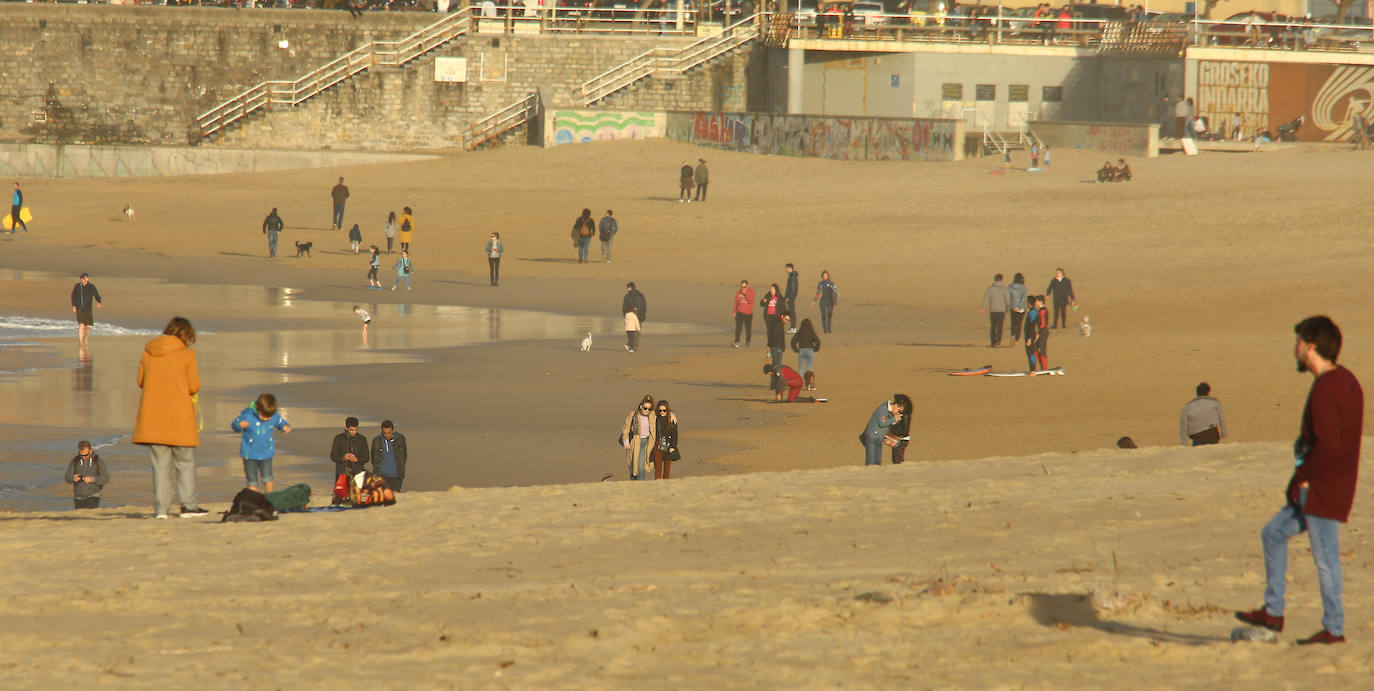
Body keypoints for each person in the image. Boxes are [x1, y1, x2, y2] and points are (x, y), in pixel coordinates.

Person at [1236, 316, 1363, 645]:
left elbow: (1329, 447)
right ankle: (1273, 611)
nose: (1294, 351)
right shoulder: (1346, 380)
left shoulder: (1326, 388)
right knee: (1274, 533)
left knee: (1325, 557)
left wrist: (1300, 479)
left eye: (1298, 344)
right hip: (1329, 485)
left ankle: (1333, 629)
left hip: (1321, 489)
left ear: (1310, 346)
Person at [134, 316, 207, 519]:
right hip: (180, 417)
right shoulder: (186, 355)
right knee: (185, 463)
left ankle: (161, 510)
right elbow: (194, 386)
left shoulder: (149, 352)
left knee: (160, 467)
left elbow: (140, 381)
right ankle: (188, 506)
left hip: (153, 418)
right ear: (186, 335)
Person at [231, 393, 292, 494]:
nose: (266, 419)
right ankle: (255, 501)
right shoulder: (247, 415)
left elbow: (280, 421)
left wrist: (285, 426)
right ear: (257, 408)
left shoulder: (273, 416)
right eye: (264, 416)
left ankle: (269, 500)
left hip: (266, 454)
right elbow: (234, 425)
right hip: (249, 455)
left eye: (269, 417)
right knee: (252, 482)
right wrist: (239, 425)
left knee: (267, 478)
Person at [860, 395, 912, 466]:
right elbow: (882, 423)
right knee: (871, 461)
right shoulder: (883, 409)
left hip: (878, 438)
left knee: (877, 460)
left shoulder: (889, 411)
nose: (898, 413)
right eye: (899, 410)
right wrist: (894, 419)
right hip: (872, 437)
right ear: (896, 405)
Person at [619, 395, 658, 480]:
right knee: (633, 464)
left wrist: (672, 415)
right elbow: (626, 428)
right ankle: (634, 483)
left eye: (649, 409)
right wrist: (626, 442)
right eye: (645, 408)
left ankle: (641, 484)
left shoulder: (653, 416)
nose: (647, 410)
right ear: (641, 406)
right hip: (634, 442)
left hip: (646, 442)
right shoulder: (634, 415)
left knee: (641, 465)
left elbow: (665, 413)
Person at [65, 440, 110, 510]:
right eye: (81, 455)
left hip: (93, 495)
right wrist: (73, 478)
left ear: (91, 451)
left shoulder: (97, 461)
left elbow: (106, 478)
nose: (84, 457)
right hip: (78, 497)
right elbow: (67, 477)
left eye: (86, 454)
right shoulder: (75, 461)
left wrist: (92, 479)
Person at [1180, 382, 1228, 446]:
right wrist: (1224, 433)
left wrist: (1184, 443)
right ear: (1208, 392)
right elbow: (1222, 419)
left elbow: (1183, 426)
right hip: (1212, 435)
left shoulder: (1188, 406)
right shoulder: (1214, 403)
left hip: (1197, 437)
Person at [370, 420, 407, 491]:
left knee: (395, 497)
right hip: (381, 475)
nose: (387, 435)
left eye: (389, 433)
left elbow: (404, 456)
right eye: (385, 433)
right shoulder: (377, 440)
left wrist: (400, 467)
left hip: (396, 476)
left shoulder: (400, 439)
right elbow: (373, 458)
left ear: (392, 430)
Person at [70, 272, 102, 345]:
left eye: (85, 278)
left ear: (87, 279)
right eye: (82, 279)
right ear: (81, 279)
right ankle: (81, 340)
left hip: (88, 308)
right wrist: (74, 306)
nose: (84, 280)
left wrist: (98, 302)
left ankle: (86, 338)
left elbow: (96, 294)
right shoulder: (77, 286)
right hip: (79, 308)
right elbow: (73, 296)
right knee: (81, 325)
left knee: (88, 326)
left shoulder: (91, 286)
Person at [979, 273, 1010, 347]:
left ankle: (993, 342)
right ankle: (998, 341)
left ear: (995, 279)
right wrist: (1007, 309)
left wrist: (982, 308)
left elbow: (986, 298)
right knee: (1000, 326)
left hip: (992, 310)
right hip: (1001, 311)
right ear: (1001, 279)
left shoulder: (990, 288)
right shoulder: (1004, 289)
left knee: (993, 326)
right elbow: (1007, 300)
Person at [652, 400, 680, 479]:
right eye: (660, 410)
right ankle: (657, 484)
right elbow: (646, 412)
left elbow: (675, 435)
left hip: (668, 444)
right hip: (657, 444)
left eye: (664, 410)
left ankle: (666, 484)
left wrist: (673, 446)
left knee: (667, 468)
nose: (662, 412)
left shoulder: (672, 419)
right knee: (658, 467)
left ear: (667, 410)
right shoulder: (655, 418)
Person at [791, 317, 820, 390]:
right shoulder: (811, 331)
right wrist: (815, 349)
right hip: (810, 350)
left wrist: (796, 350)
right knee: (809, 369)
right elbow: (818, 341)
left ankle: (799, 385)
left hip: (802, 351)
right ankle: (810, 385)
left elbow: (793, 342)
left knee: (801, 369)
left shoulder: (800, 332)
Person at [767, 312, 789, 393]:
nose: (787, 321)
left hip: (776, 347)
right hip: (777, 348)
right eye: (786, 319)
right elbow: (774, 335)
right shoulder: (779, 324)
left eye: (788, 320)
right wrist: (769, 345)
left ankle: (773, 384)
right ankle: (777, 384)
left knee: (775, 365)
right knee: (777, 367)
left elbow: (772, 334)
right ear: (782, 317)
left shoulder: (778, 323)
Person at [622, 281, 647, 352]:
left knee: (631, 331)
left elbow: (624, 307)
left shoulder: (627, 296)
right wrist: (643, 315)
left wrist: (625, 316)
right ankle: (634, 346)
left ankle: (631, 345)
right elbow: (643, 306)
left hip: (629, 315)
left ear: (629, 288)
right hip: (639, 315)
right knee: (637, 331)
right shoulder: (640, 295)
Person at [760, 283, 785, 348]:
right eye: (771, 289)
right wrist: (763, 301)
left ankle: (775, 343)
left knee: (775, 331)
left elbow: (783, 308)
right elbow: (761, 304)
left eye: (773, 289)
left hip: (776, 316)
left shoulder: (780, 297)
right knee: (769, 330)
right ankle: (769, 344)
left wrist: (783, 316)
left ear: (776, 290)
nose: (771, 290)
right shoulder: (767, 295)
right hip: (768, 316)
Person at [732, 279, 755, 349]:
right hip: (740, 313)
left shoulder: (751, 292)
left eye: (744, 287)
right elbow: (736, 302)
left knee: (748, 328)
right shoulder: (738, 292)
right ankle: (737, 341)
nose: (743, 288)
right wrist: (734, 311)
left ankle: (748, 342)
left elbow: (750, 300)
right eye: (741, 287)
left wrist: (745, 293)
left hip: (748, 313)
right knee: (738, 328)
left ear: (747, 286)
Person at [1008, 273, 1028, 346]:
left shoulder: (1010, 287)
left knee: (1013, 322)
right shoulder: (1023, 288)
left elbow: (1008, 297)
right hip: (1021, 308)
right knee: (1019, 323)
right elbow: (1023, 298)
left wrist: (1013, 306)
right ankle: (1017, 338)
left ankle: (1012, 335)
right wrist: (1019, 307)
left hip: (1013, 306)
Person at [783, 263, 800, 333]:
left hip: (791, 297)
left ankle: (793, 328)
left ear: (790, 268)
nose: (786, 270)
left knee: (792, 312)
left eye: (786, 268)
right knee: (791, 312)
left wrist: (789, 297)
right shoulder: (791, 276)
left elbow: (793, 288)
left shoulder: (793, 277)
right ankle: (792, 328)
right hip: (790, 297)